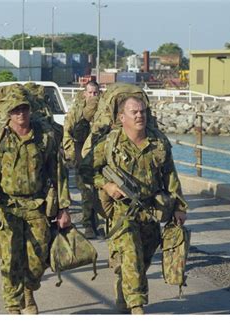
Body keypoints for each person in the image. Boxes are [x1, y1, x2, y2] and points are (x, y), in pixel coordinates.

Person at [0, 88, 72, 314]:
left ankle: (28, 290)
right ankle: (13, 306)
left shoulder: (44, 135)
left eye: (24, 108)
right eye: (15, 110)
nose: (21, 114)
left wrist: (63, 208)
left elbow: (58, 171)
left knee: (38, 258)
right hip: (6, 205)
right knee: (10, 257)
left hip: (37, 205)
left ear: (30, 110)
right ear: (8, 113)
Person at [79, 95, 188, 314]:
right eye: (134, 112)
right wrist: (107, 186)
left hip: (151, 211)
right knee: (131, 256)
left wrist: (179, 206)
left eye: (143, 112)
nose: (140, 116)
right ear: (122, 117)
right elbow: (85, 170)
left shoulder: (158, 141)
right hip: (122, 212)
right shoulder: (109, 143)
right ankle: (137, 307)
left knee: (143, 260)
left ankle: (124, 293)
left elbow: (170, 175)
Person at [63, 81, 100, 239]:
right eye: (90, 92)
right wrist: (73, 156)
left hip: (100, 156)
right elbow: (67, 133)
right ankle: (88, 225)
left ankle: (96, 223)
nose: (93, 96)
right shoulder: (76, 112)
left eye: (95, 93)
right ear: (85, 93)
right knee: (86, 192)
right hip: (82, 156)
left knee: (99, 193)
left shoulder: (103, 110)